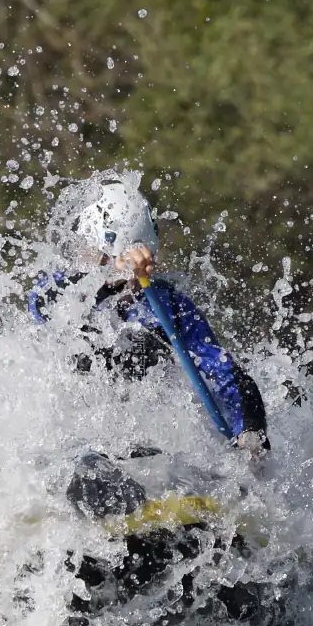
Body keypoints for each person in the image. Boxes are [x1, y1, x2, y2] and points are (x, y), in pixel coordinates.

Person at [29, 176, 270, 458]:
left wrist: (250, 430)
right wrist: (107, 279)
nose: (84, 257)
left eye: (96, 254)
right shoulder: (63, 289)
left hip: (139, 442)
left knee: (143, 344)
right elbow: (42, 307)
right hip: (69, 440)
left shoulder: (170, 306)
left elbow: (229, 376)